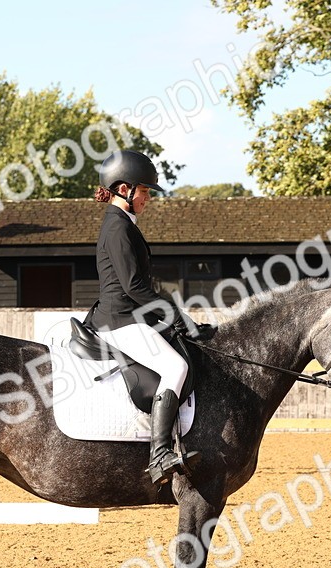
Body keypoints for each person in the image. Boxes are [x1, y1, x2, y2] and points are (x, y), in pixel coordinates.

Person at [84, 149, 216, 485]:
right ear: (124, 189)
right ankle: (159, 454)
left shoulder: (123, 224)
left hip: (128, 315)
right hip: (121, 319)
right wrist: (177, 316)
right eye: (143, 192)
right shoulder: (118, 227)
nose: (147, 198)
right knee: (176, 367)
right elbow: (134, 287)